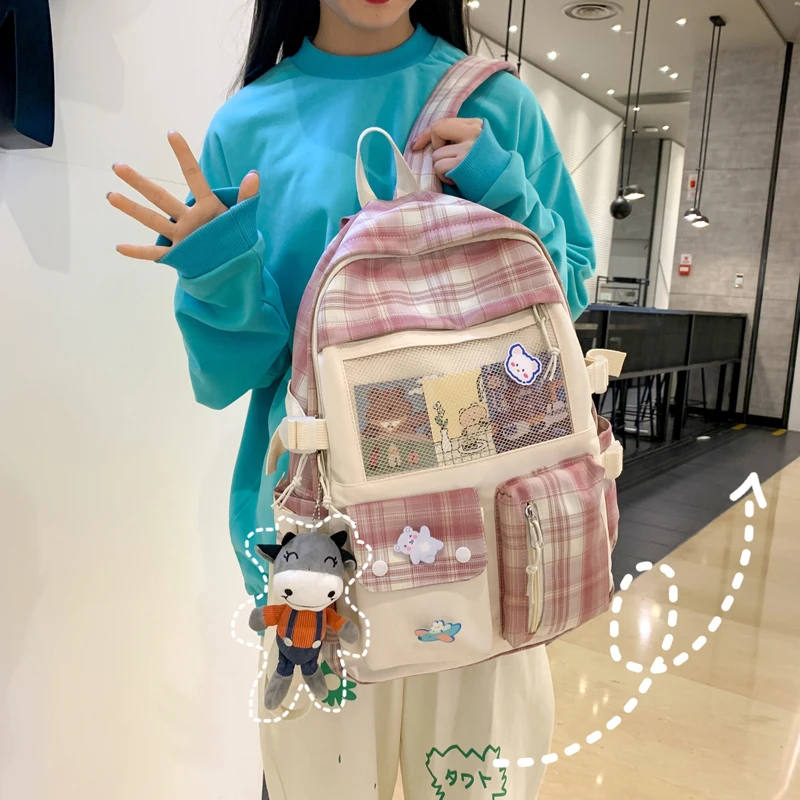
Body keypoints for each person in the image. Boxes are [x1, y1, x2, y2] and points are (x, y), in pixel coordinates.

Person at [107, 1, 596, 798]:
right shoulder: (248, 124)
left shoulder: (494, 103)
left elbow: (564, 300)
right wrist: (217, 270)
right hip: (322, 544)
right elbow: (235, 373)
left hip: (489, 528)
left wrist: (500, 185)